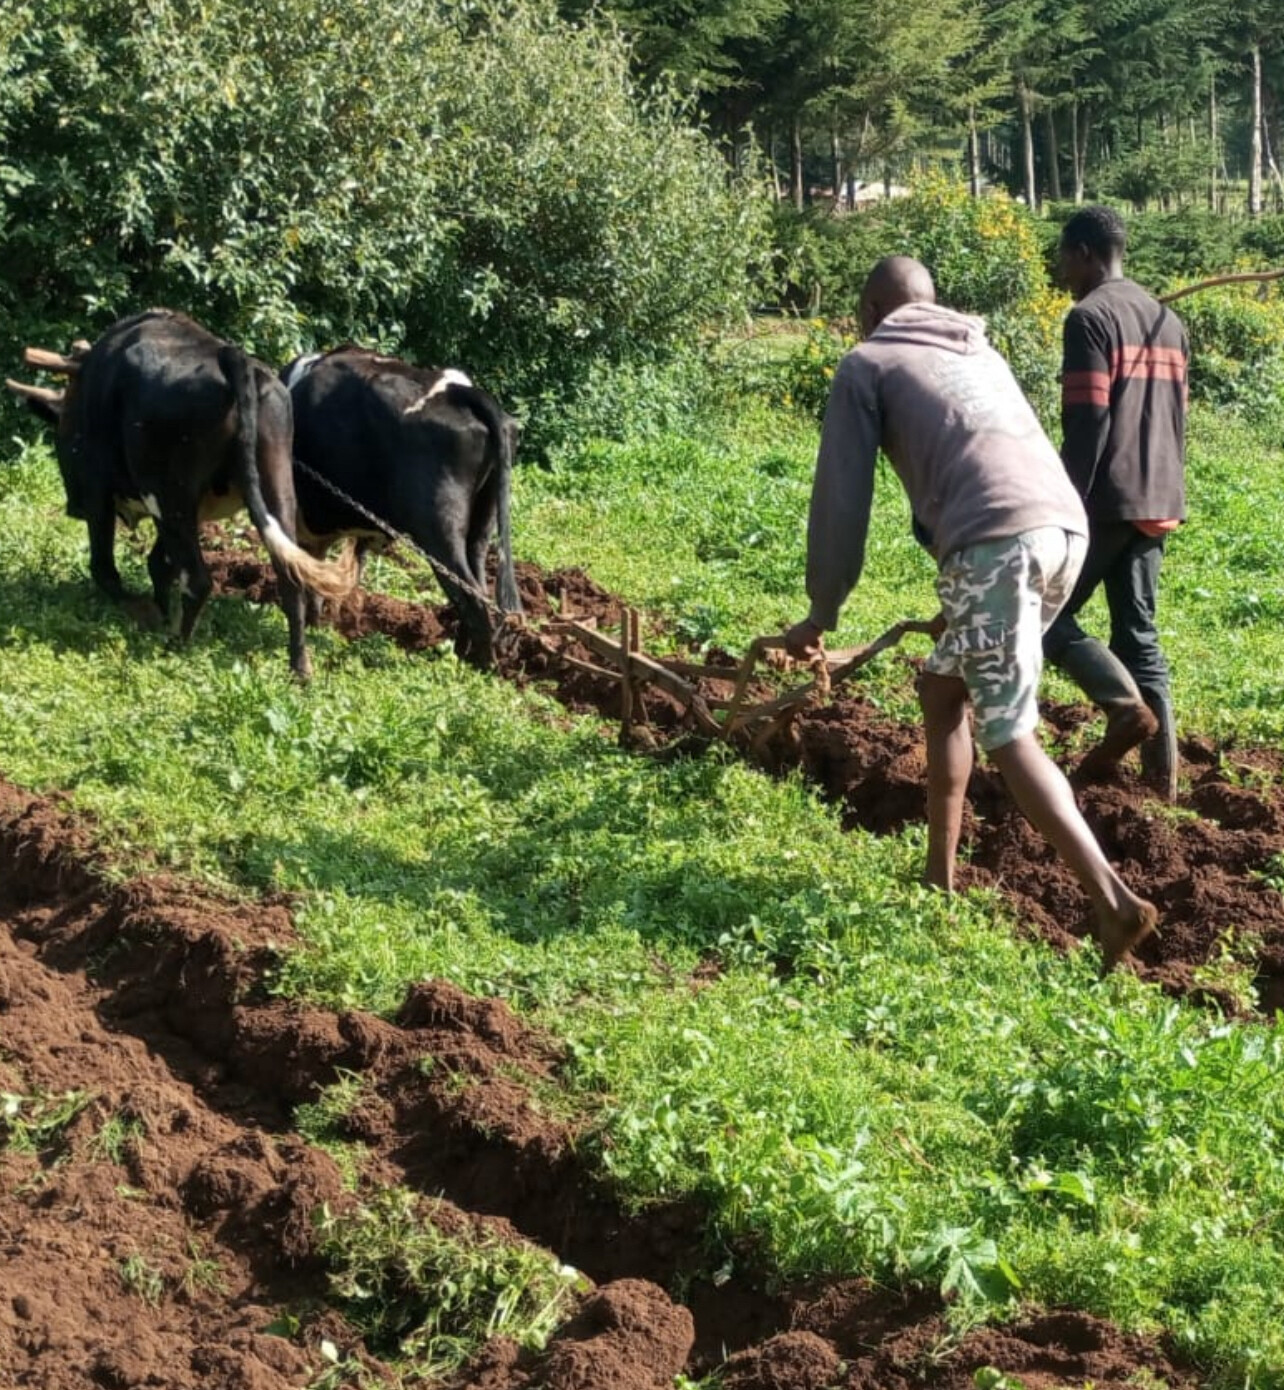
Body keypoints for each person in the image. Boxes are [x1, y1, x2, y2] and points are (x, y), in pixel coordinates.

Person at [784, 256, 1157, 971]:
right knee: (941, 689)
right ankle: (938, 878)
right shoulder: (977, 349)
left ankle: (1114, 903)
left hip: (996, 547)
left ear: (870, 311)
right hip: (1063, 533)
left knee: (1007, 730)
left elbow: (841, 499)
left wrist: (820, 613)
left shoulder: (868, 362)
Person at [1043, 204, 1188, 801]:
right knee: (1138, 636)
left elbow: (1090, 421)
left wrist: (1061, 501)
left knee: (1044, 617)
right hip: (1159, 497)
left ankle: (1124, 710)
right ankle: (1162, 783)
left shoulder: (1088, 318)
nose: (1061, 270)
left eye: (1064, 257)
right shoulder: (1167, 320)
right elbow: (1174, 419)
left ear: (1084, 253)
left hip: (1104, 502)